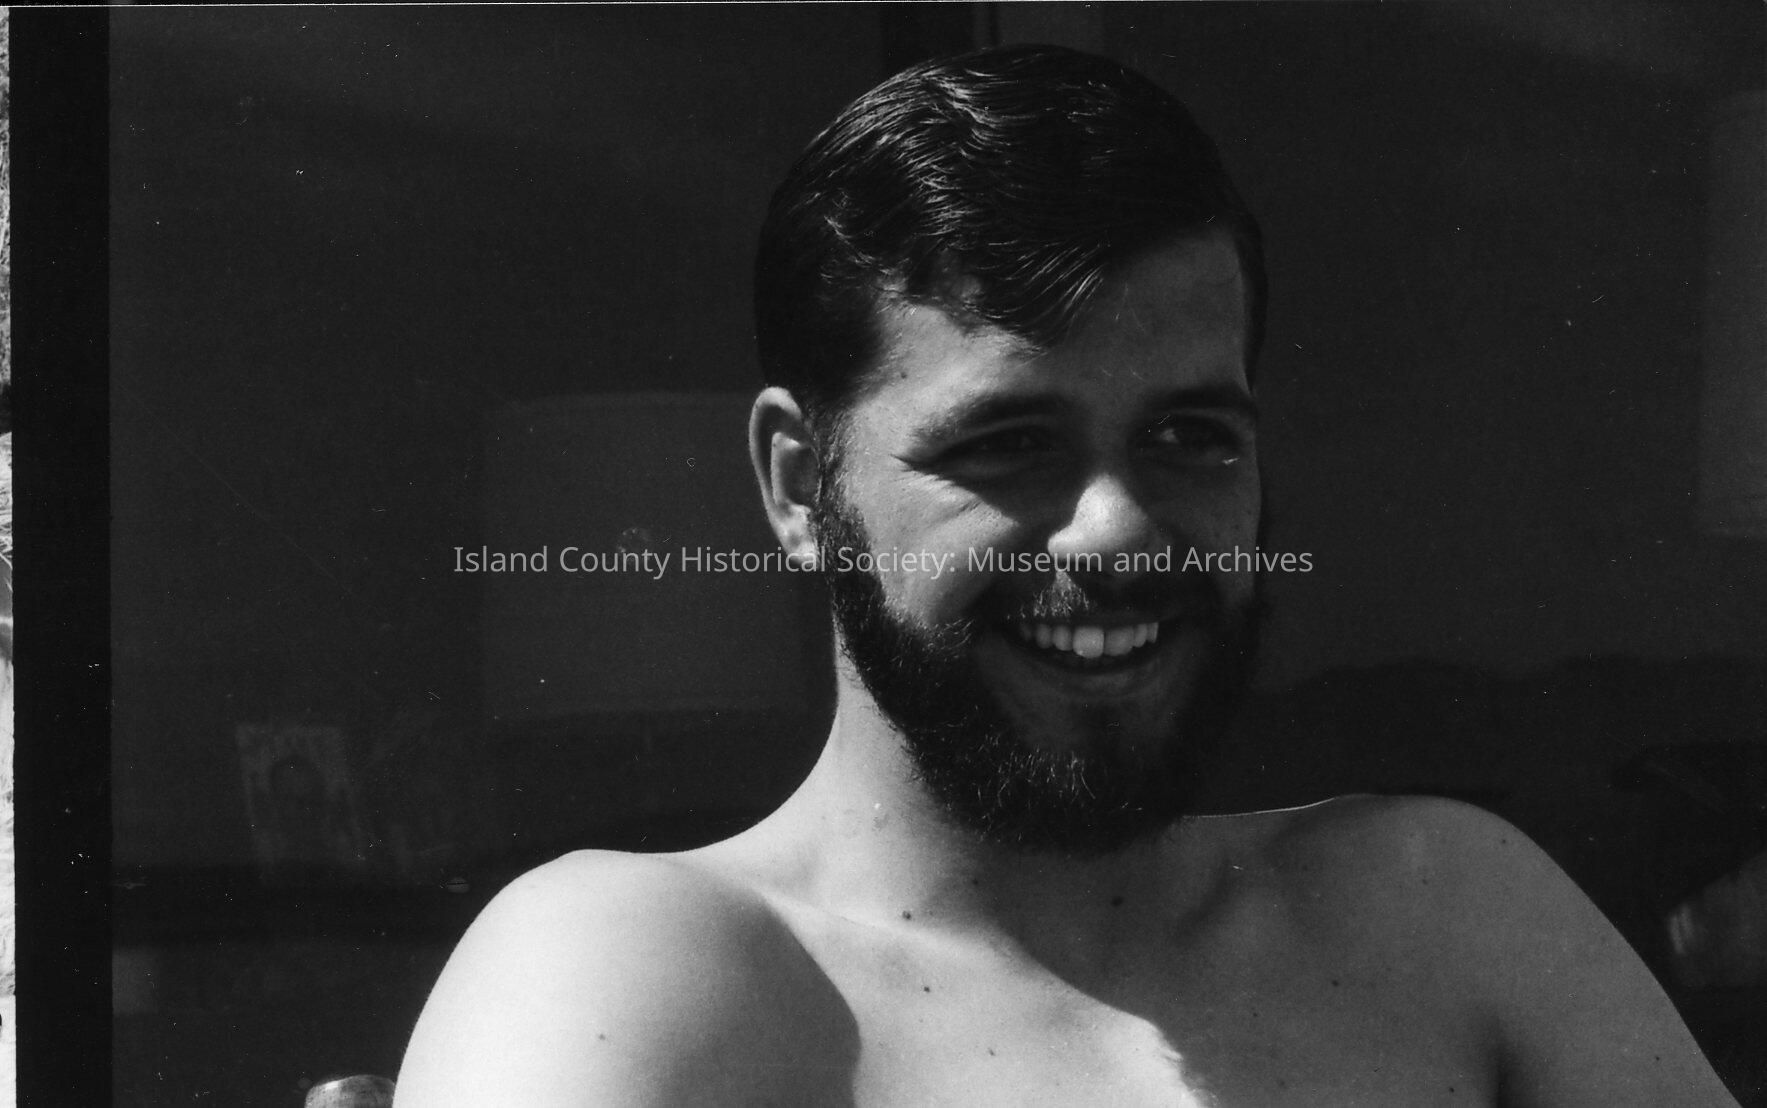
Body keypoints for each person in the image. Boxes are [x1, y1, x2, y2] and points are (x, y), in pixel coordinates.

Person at [397, 46, 1738, 1106]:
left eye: (1189, 437)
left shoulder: (1440, 912)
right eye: (1009, 445)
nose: (1116, 533)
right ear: (802, 488)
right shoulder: (642, 968)